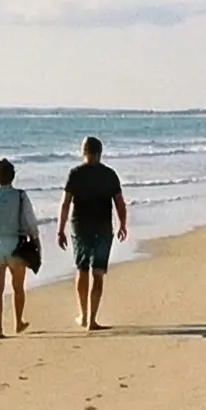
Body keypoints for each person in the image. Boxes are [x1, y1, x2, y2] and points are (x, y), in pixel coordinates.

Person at [56, 136, 129, 330]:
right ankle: (92, 320)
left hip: (80, 227)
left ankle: (84, 314)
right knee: (98, 272)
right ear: (100, 152)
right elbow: (120, 204)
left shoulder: (75, 174)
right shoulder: (109, 174)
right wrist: (123, 224)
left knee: (82, 269)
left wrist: (60, 230)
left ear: (83, 152)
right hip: (103, 228)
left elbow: (65, 204)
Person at [0, 158, 39, 339]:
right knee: (18, 287)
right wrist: (36, 240)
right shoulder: (20, 195)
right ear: (13, 176)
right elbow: (30, 221)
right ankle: (18, 321)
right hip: (15, 245)